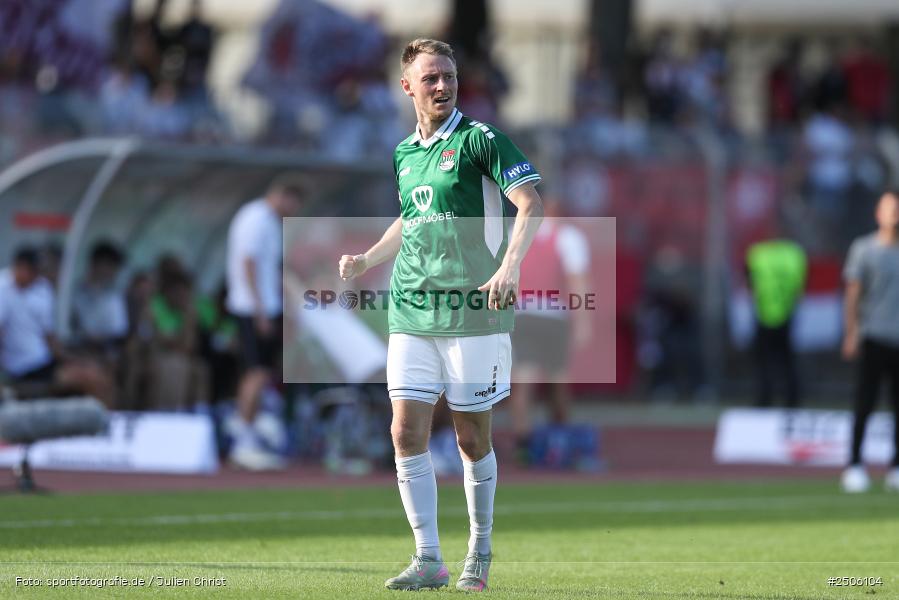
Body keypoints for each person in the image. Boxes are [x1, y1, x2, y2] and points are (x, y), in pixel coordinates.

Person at [338, 38, 543, 592]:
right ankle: (428, 556)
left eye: (448, 76)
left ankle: (480, 544)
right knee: (405, 430)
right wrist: (366, 258)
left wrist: (510, 267)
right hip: (411, 308)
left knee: (471, 438)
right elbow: (409, 219)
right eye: (430, 78)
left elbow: (530, 201)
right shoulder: (404, 152)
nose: (442, 86)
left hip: (473, 309)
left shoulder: (481, 140)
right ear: (407, 86)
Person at [226, 176, 303, 470]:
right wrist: (259, 310)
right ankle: (242, 440)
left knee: (261, 373)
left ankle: (250, 432)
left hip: (266, 306)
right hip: (250, 307)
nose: (293, 212)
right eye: (293, 204)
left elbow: (273, 268)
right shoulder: (255, 218)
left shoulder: (270, 222)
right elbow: (248, 263)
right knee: (254, 373)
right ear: (282, 195)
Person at [510, 197, 592, 460]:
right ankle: (558, 437)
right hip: (549, 316)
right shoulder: (568, 237)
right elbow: (578, 282)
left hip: (524, 314)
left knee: (527, 380)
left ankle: (525, 442)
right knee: (555, 380)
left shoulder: (516, 232)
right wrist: (583, 321)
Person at [840, 190, 899, 493]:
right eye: (890, 208)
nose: (895, 214)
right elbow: (853, 294)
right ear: (878, 213)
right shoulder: (864, 249)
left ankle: (896, 466)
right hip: (873, 336)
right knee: (864, 403)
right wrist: (851, 332)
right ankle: (854, 464)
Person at [745, 236, 807, 408]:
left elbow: (750, 282)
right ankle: (791, 400)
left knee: (764, 360)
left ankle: (764, 400)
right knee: (786, 360)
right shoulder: (794, 254)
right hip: (786, 313)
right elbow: (800, 284)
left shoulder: (758, 254)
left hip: (764, 313)